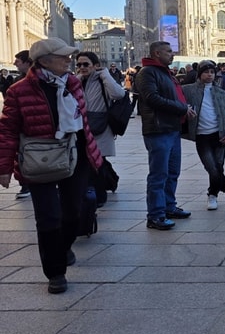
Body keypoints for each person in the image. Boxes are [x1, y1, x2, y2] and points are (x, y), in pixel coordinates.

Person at [0, 37, 103, 294]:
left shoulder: (72, 82)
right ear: (44, 61)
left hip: (74, 154)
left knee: (74, 213)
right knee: (48, 217)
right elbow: (8, 130)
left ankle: (63, 246)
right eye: (63, 57)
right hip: (39, 159)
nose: (69, 61)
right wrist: (4, 166)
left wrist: (93, 154)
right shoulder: (19, 90)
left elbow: (82, 123)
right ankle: (55, 272)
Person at [135, 41, 196, 230]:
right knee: (159, 174)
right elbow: (152, 98)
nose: (173, 54)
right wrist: (182, 108)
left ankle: (169, 207)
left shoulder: (165, 73)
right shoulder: (147, 73)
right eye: (169, 51)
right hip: (158, 129)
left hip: (172, 128)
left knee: (172, 172)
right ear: (157, 53)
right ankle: (155, 215)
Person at [182, 61, 225, 211]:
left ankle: (212, 194)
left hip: (219, 135)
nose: (209, 75)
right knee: (211, 168)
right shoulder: (188, 90)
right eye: (206, 72)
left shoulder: (221, 93)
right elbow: (178, 101)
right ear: (200, 74)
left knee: (218, 166)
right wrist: (184, 108)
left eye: (212, 72)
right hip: (201, 136)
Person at [76, 51, 127, 206]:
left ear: (96, 65)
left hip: (100, 125)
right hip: (82, 126)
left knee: (97, 162)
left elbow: (118, 94)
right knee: (90, 161)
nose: (82, 67)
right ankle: (109, 181)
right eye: (79, 65)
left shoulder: (102, 79)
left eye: (86, 64)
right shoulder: (76, 81)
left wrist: (104, 74)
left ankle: (100, 197)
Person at [11, 50, 33, 199]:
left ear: (27, 62)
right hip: (22, 126)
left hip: (36, 127)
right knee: (21, 157)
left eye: (18, 61)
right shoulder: (17, 82)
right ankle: (25, 185)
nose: (15, 64)